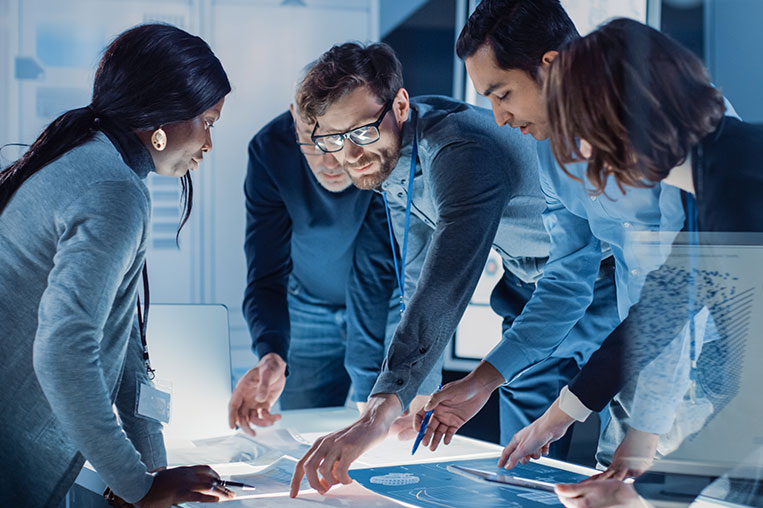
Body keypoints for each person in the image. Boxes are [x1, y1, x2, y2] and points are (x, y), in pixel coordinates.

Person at [289, 41, 618, 497]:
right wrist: (417, 391)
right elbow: (418, 270)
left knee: (624, 453)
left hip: (603, 284)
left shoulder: (459, 149)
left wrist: (381, 408)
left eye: (361, 131)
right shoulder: (387, 157)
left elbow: (447, 280)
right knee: (520, 474)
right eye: (332, 139)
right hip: (527, 290)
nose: (349, 154)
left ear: (400, 105)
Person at [418, 0, 703, 472]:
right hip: (631, 365)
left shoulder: (673, 121)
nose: (500, 118)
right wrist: (484, 381)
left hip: (712, 369)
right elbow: (566, 283)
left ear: (550, 66)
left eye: (502, 93)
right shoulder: (551, 154)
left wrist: (582, 418)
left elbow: (681, 293)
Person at [500, 20, 763, 503]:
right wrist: (562, 414)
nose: (576, 155)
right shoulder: (718, 173)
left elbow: (756, 402)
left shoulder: (738, 186)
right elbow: (659, 311)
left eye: (577, 131)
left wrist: (648, 497)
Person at [0, 24, 232, 507]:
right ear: (164, 118)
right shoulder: (114, 191)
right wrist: (139, 485)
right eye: (208, 122)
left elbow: (124, 343)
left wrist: (151, 470)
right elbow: (63, 351)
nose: (209, 145)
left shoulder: (93, 162)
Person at [228, 71, 406, 433]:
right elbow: (265, 273)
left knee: (384, 430)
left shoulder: (373, 146)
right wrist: (271, 352)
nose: (330, 161)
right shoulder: (269, 150)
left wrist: (369, 385)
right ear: (294, 118)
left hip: (385, 305)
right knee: (303, 430)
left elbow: (373, 272)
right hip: (306, 305)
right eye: (314, 143)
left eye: (337, 139)